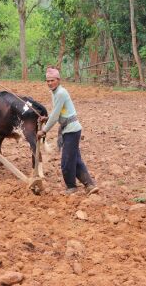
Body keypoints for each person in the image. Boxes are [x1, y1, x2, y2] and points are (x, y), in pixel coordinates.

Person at [37, 67, 99, 196]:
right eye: (47, 81)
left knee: (67, 161)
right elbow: (58, 112)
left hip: (71, 130)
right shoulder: (55, 93)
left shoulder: (60, 93)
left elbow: (55, 116)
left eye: (52, 80)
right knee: (75, 159)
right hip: (70, 129)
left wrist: (43, 130)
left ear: (58, 80)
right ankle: (90, 185)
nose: (49, 83)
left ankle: (71, 187)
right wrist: (46, 118)